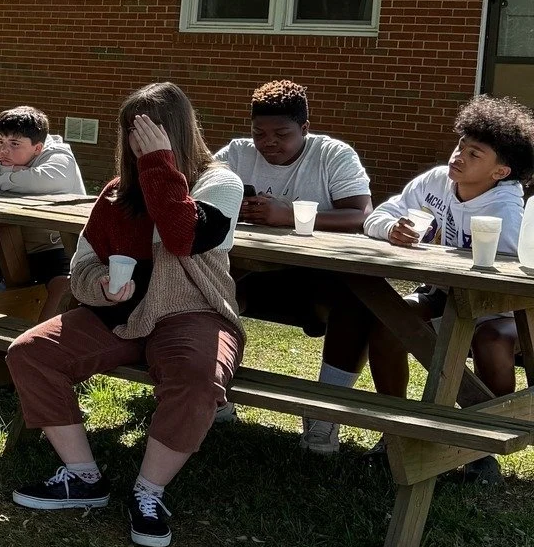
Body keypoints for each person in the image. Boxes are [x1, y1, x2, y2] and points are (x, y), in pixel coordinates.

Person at [7, 81, 244, 547]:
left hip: (191, 311)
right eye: (132, 135)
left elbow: (182, 236)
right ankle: (83, 477)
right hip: (121, 314)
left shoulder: (220, 182)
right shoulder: (118, 193)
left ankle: (149, 492)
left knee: (197, 381)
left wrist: (159, 165)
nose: (138, 144)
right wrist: (100, 286)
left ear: (174, 130)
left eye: (149, 133)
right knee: (30, 353)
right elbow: (83, 266)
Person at [363, 96, 533, 481]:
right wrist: (392, 229)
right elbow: (380, 213)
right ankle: (396, 431)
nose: (459, 156)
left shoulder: (509, 210)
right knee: (390, 322)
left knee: (490, 341)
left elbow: (516, 276)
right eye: (460, 145)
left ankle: (485, 442)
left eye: (475, 154)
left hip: (505, 307)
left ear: (500, 171)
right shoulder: (436, 181)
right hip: (444, 294)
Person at [215, 79, 377, 454]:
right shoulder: (237, 154)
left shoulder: (332, 154)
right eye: (259, 133)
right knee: (205, 288)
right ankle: (214, 394)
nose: (268, 142)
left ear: (305, 129)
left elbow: (360, 214)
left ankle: (325, 415)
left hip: (320, 276)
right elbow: (199, 197)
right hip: (251, 271)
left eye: (281, 133)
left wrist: (290, 215)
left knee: (359, 304)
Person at [0, 105, 85, 318]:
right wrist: (11, 170)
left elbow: (44, 179)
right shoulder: (4, 155)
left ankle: (37, 343)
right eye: (0, 141)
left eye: (14, 144)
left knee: (62, 284)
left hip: (55, 244)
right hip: (7, 241)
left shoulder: (59, 154)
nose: (3, 151)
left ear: (37, 148)